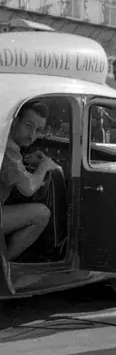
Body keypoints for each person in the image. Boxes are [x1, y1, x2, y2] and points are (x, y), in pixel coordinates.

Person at [1, 102, 60, 261]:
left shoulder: (7, 145)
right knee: (42, 213)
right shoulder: (8, 148)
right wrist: (44, 167)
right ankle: (5, 263)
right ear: (14, 121)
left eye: (38, 130)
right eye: (28, 125)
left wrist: (27, 159)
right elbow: (28, 189)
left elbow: (10, 169)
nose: (32, 134)